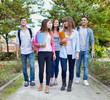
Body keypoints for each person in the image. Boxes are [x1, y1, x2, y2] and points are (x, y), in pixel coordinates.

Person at [34, 19, 56, 93]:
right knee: (41, 71)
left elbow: (52, 44)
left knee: (48, 71)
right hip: (41, 53)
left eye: (50, 23)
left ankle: (47, 86)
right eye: (49, 23)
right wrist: (40, 45)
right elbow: (35, 44)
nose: (50, 24)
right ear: (45, 24)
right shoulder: (39, 32)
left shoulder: (51, 33)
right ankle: (41, 84)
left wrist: (54, 53)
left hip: (49, 53)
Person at [60, 17, 79, 92]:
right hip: (63, 53)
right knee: (64, 69)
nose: (64, 23)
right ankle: (64, 84)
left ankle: (70, 85)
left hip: (72, 53)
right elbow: (59, 43)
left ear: (70, 22)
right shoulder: (62, 32)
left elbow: (78, 44)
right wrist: (62, 41)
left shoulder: (75, 32)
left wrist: (77, 53)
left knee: (71, 70)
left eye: (66, 22)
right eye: (64, 22)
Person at [75, 16, 95, 86]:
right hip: (78, 50)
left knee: (86, 65)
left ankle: (85, 79)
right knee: (78, 65)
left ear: (87, 21)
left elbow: (92, 41)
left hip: (86, 50)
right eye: (82, 20)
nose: (83, 21)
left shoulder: (90, 31)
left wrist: (93, 50)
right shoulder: (77, 29)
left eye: (84, 20)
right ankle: (77, 77)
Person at [16, 17, 35, 87]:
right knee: (24, 67)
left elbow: (34, 40)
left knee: (32, 66)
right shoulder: (18, 32)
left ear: (26, 22)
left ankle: (32, 80)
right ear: (20, 22)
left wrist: (34, 45)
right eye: (22, 21)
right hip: (23, 52)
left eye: (24, 20)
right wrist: (17, 52)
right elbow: (17, 43)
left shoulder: (30, 30)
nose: (23, 22)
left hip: (30, 51)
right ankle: (26, 80)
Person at [50, 19, 60, 86]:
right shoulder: (50, 31)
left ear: (59, 24)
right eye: (55, 22)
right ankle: (51, 79)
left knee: (57, 65)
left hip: (59, 50)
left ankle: (56, 79)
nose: (56, 23)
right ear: (53, 23)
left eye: (57, 22)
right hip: (51, 50)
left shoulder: (60, 31)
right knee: (52, 64)